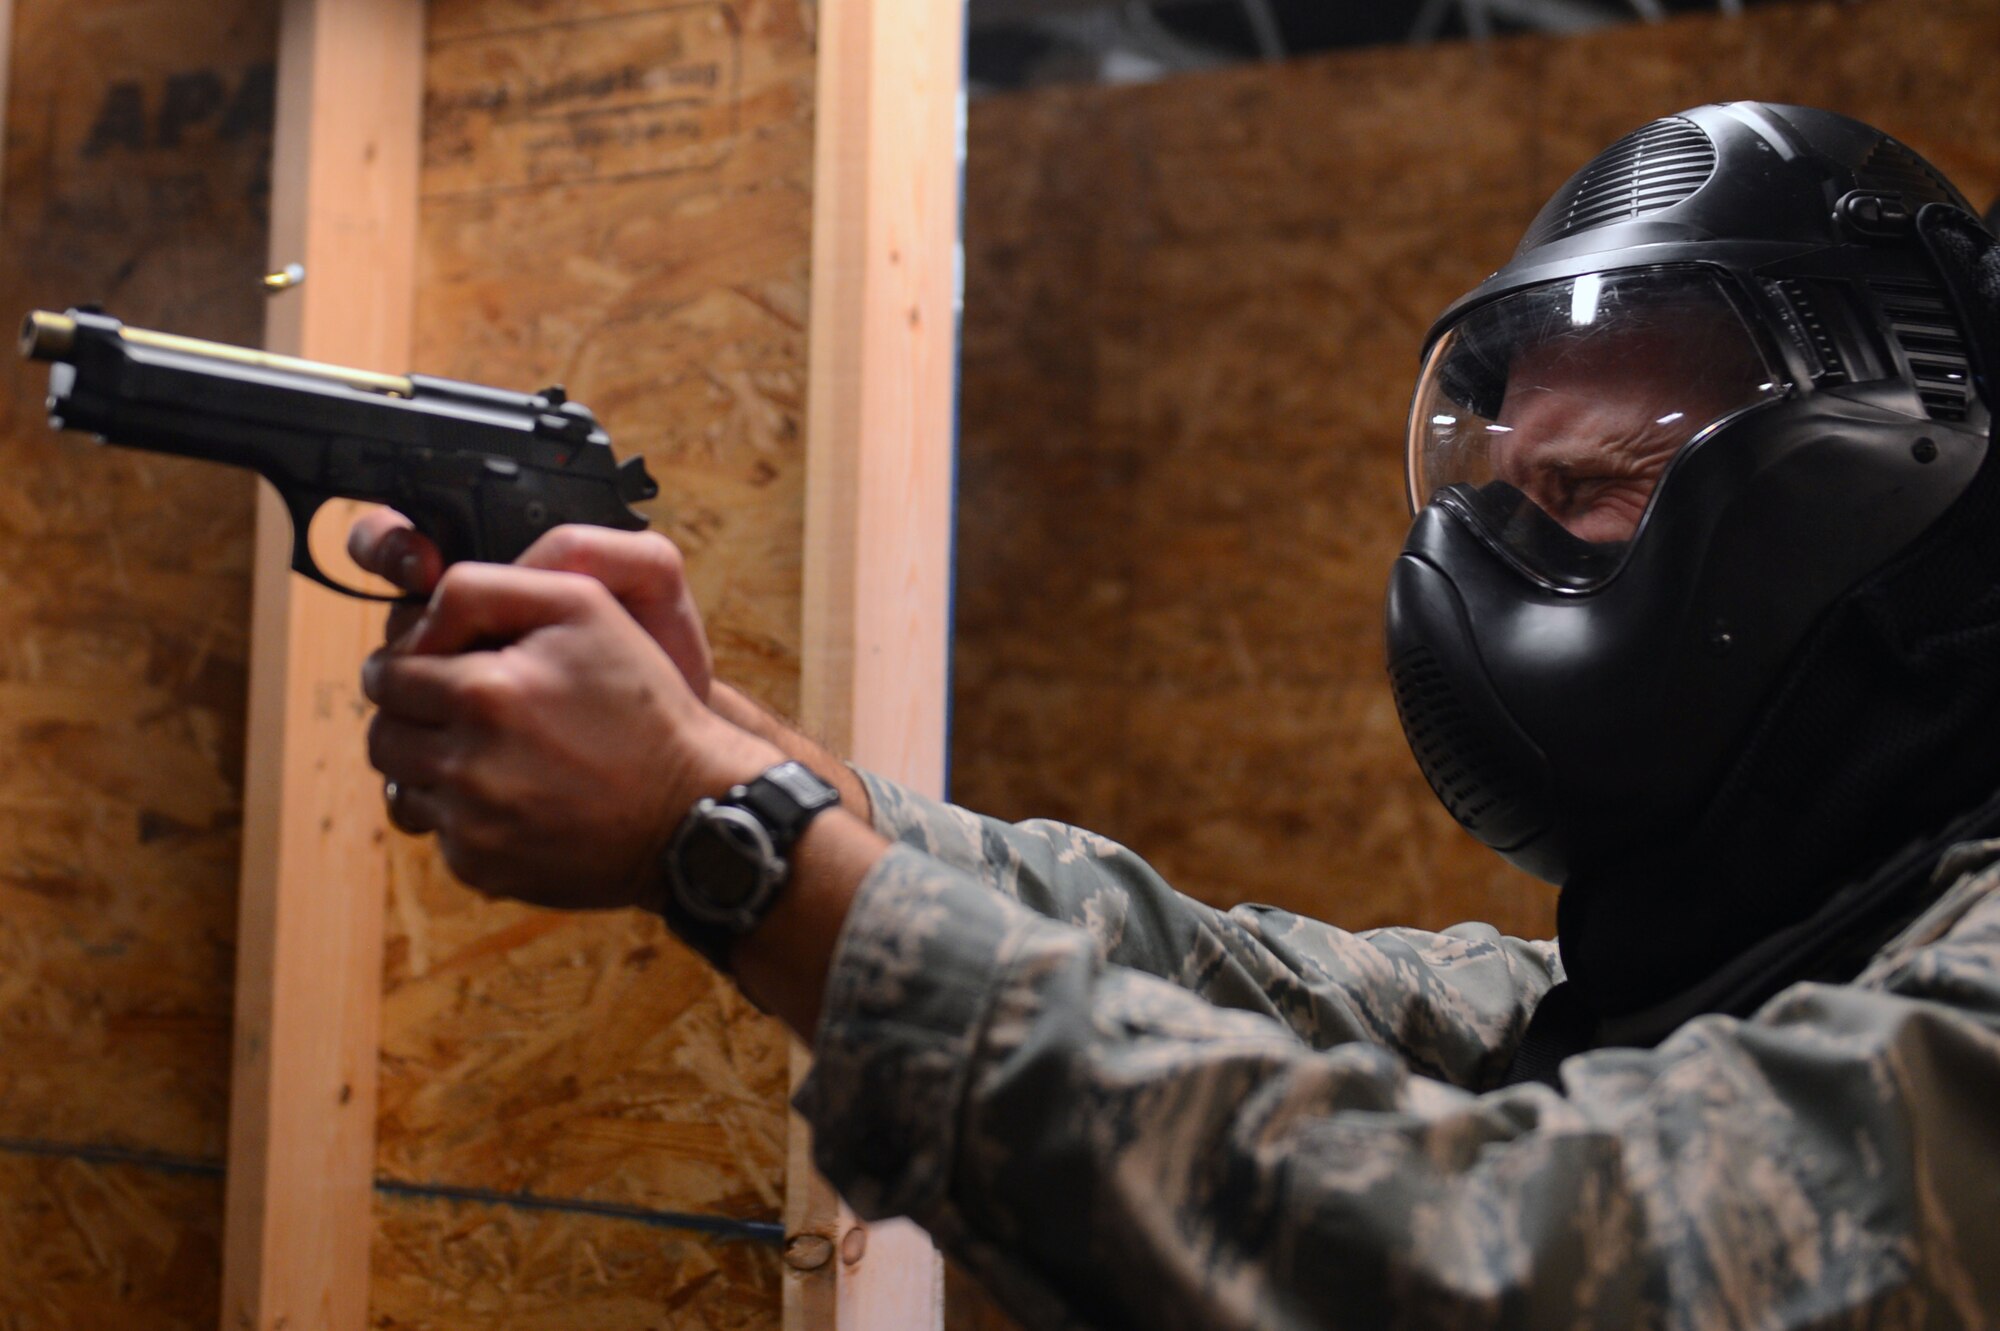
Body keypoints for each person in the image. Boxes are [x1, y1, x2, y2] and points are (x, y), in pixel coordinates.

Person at [354, 103, 2000, 1329]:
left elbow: (1531, 1258)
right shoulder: (1711, 967)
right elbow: (1224, 989)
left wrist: (722, 840)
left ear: (1858, 482)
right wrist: (712, 740)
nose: (1488, 564)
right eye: (1498, 493)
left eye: (1585, 490)